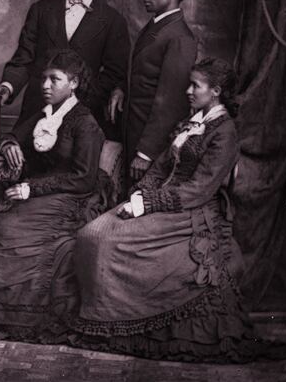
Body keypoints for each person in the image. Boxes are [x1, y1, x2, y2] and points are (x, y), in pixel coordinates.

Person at [71, 58, 257, 361]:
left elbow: (199, 189)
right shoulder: (192, 121)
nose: (187, 90)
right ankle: (105, 319)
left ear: (216, 91)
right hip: (161, 200)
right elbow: (160, 168)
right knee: (91, 233)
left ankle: (121, 324)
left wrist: (148, 204)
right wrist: (140, 194)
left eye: (195, 85)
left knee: (106, 241)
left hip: (192, 210)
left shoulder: (224, 132)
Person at [0, 49, 110, 343]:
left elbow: (83, 179)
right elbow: (7, 138)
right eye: (44, 79)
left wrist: (32, 188)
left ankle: (16, 316)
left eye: (54, 79)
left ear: (73, 83)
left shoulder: (85, 123)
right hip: (35, 193)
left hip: (70, 197)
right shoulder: (42, 115)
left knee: (7, 231)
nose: (45, 85)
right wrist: (8, 144)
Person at [0, 0, 129, 138]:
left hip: (83, 118)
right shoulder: (41, 10)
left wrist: (78, 99)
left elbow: (115, 72)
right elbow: (23, 58)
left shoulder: (112, 20)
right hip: (35, 114)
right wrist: (7, 87)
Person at [114, 0, 197, 185]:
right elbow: (144, 72)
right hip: (134, 134)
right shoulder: (157, 27)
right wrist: (122, 88)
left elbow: (171, 103)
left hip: (150, 147)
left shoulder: (179, 37)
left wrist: (145, 153)